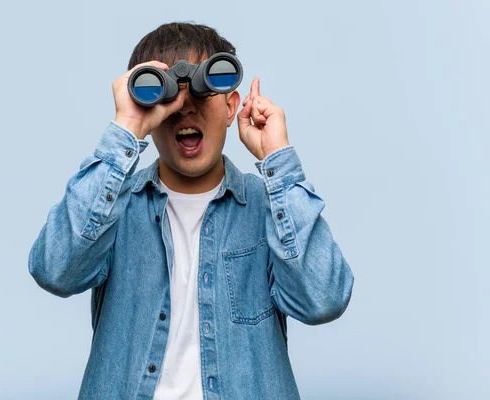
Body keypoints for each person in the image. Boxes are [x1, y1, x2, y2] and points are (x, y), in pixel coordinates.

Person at [28, 22, 355, 400]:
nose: (186, 108)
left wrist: (277, 161)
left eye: (203, 90)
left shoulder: (271, 208)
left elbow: (324, 300)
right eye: (168, 97)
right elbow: (55, 270)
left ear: (232, 106)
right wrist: (126, 128)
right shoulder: (113, 207)